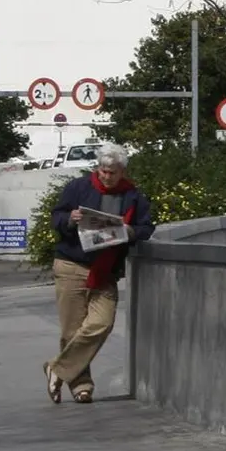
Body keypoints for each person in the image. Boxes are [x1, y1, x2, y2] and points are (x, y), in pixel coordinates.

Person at [45, 144, 155, 404]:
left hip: (105, 270)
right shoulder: (79, 187)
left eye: (113, 173)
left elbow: (146, 227)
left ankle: (57, 369)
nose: (106, 176)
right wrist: (70, 219)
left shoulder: (133, 196)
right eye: (103, 171)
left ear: (122, 172)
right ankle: (81, 385)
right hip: (72, 264)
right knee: (72, 330)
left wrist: (129, 232)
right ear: (98, 168)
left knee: (101, 323)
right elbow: (56, 218)